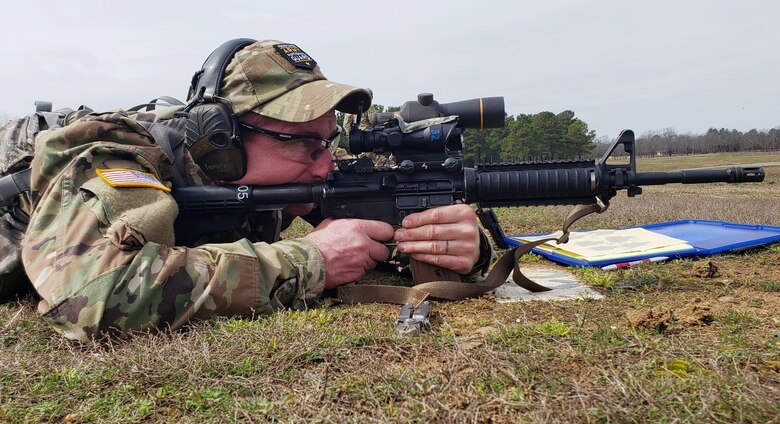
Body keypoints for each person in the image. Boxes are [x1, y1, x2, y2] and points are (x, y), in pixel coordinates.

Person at [20, 39, 491, 341]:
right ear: (221, 136)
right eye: (304, 142)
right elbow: (89, 297)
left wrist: (458, 246)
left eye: (328, 141)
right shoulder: (120, 157)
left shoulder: (300, 168)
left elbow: (381, 224)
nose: (326, 162)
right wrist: (307, 262)